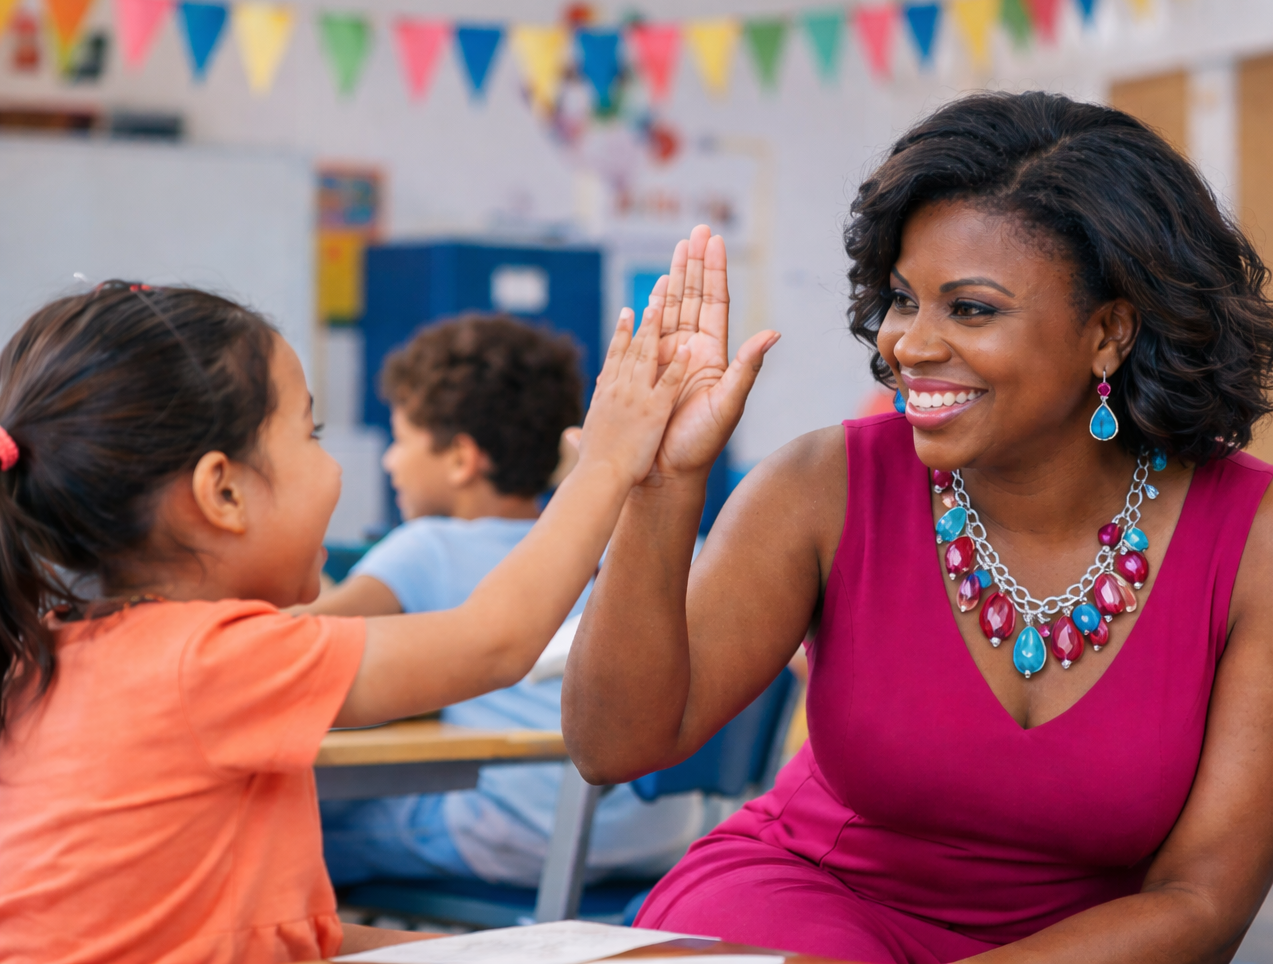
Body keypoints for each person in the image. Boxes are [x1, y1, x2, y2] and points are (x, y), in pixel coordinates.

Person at [562, 93, 1273, 964]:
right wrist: (664, 484)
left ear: (1109, 332)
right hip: (805, 905)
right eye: (904, 300)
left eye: (970, 309)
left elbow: (1201, 903)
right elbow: (616, 746)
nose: (910, 345)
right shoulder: (824, 483)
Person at [0, 281, 764, 964]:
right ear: (221, 494)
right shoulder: (204, 658)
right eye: (311, 435)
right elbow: (493, 641)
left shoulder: (57, 652)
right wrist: (606, 461)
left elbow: (291, 935)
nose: (337, 469)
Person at [311, 313, 705, 889]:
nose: (390, 460)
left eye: (401, 439)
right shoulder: (648, 540)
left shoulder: (429, 546)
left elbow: (303, 638)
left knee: (302, 834)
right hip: (657, 837)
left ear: (460, 459)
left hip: (521, 833)